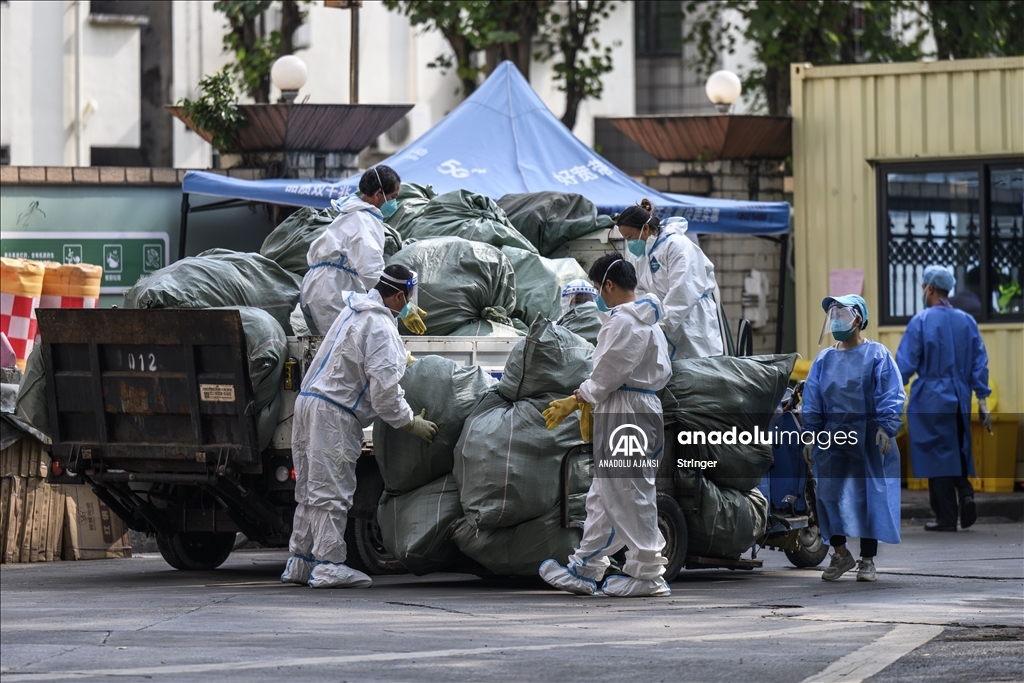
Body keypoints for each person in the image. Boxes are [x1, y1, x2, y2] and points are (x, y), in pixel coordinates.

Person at [281, 264, 438, 589]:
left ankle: (301, 560)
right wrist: (410, 422)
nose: (410, 303)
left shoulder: (355, 311)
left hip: (309, 403)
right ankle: (328, 565)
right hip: (333, 414)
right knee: (330, 491)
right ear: (398, 295)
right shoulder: (378, 325)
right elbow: (385, 396)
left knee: (310, 490)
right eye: (408, 298)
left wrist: (397, 347)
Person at [539, 253, 673, 598]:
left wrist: (580, 398)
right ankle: (585, 567)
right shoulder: (648, 322)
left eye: (599, 288)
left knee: (629, 492)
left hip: (626, 410)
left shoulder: (624, 321)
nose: (599, 295)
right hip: (634, 407)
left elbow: (609, 369)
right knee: (604, 494)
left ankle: (647, 573)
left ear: (609, 285)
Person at [801, 294, 905, 582]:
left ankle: (867, 561)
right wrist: (810, 434)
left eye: (841, 314)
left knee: (867, 499)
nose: (836, 319)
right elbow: (812, 400)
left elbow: (891, 392)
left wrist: (885, 427)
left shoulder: (878, 355)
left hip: (868, 436)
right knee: (827, 496)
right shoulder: (824, 359)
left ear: (858, 318)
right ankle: (841, 554)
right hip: (834, 437)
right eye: (833, 314)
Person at [896, 266, 991, 532]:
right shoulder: (967, 321)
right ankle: (966, 492)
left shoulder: (921, 322)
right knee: (957, 448)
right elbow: (979, 362)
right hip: (960, 396)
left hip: (930, 398)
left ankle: (946, 517)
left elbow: (904, 365)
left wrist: (886, 390)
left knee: (935, 455)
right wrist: (982, 399)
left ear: (930, 288)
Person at [299, 165, 427, 336]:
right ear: (378, 193)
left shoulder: (354, 214)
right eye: (393, 197)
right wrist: (403, 303)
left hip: (322, 286)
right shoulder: (362, 220)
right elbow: (371, 270)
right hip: (332, 290)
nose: (394, 203)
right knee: (346, 346)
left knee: (332, 346)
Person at [615, 199, 723, 359]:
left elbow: (684, 291)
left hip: (692, 325)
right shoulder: (640, 256)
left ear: (645, 229)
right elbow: (637, 292)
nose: (629, 243)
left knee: (698, 374)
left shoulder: (676, 246)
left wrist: (657, 324)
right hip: (663, 329)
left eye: (630, 237)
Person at [556, 279, 602, 345]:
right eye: (577, 301)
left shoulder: (603, 329)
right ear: (565, 303)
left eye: (587, 302)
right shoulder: (556, 329)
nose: (584, 306)